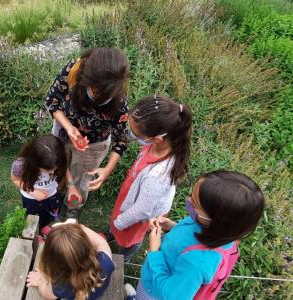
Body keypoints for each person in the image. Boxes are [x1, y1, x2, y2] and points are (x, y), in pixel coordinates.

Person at [136, 170, 266, 300]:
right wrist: (172, 226)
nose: (188, 200)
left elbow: (170, 296)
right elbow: (191, 239)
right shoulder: (216, 230)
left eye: (195, 204)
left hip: (153, 292)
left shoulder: (197, 262)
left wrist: (154, 252)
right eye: (191, 196)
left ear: (216, 221)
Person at [45, 47, 130, 217]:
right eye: (96, 92)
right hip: (64, 131)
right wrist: (69, 128)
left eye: (105, 96)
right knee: (59, 165)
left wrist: (107, 170)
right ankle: (57, 193)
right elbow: (52, 102)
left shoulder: (119, 104)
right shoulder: (73, 71)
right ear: (86, 79)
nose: (99, 98)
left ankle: (72, 208)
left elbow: (121, 140)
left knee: (81, 179)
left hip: (94, 144)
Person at [108, 95, 193, 261]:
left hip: (135, 216)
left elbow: (141, 210)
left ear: (157, 138)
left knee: (128, 240)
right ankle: (113, 234)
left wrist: (119, 223)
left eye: (135, 133)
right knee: (118, 227)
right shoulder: (158, 145)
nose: (131, 135)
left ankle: (122, 258)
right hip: (132, 200)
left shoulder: (158, 177)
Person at [26, 223, 115, 300]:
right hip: (97, 292)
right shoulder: (104, 261)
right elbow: (102, 242)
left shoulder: (60, 286)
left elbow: (47, 295)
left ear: (51, 263)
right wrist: (81, 228)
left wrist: (40, 280)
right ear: (87, 244)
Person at [11, 135, 81, 229]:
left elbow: (64, 169)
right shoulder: (20, 165)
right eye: (47, 170)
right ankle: (39, 231)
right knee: (35, 221)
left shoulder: (57, 158)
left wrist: (72, 186)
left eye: (55, 169)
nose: (53, 172)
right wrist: (33, 191)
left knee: (52, 214)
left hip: (53, 194)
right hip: (32, 199)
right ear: (35, 162)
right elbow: (15, 179)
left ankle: (50, 222)